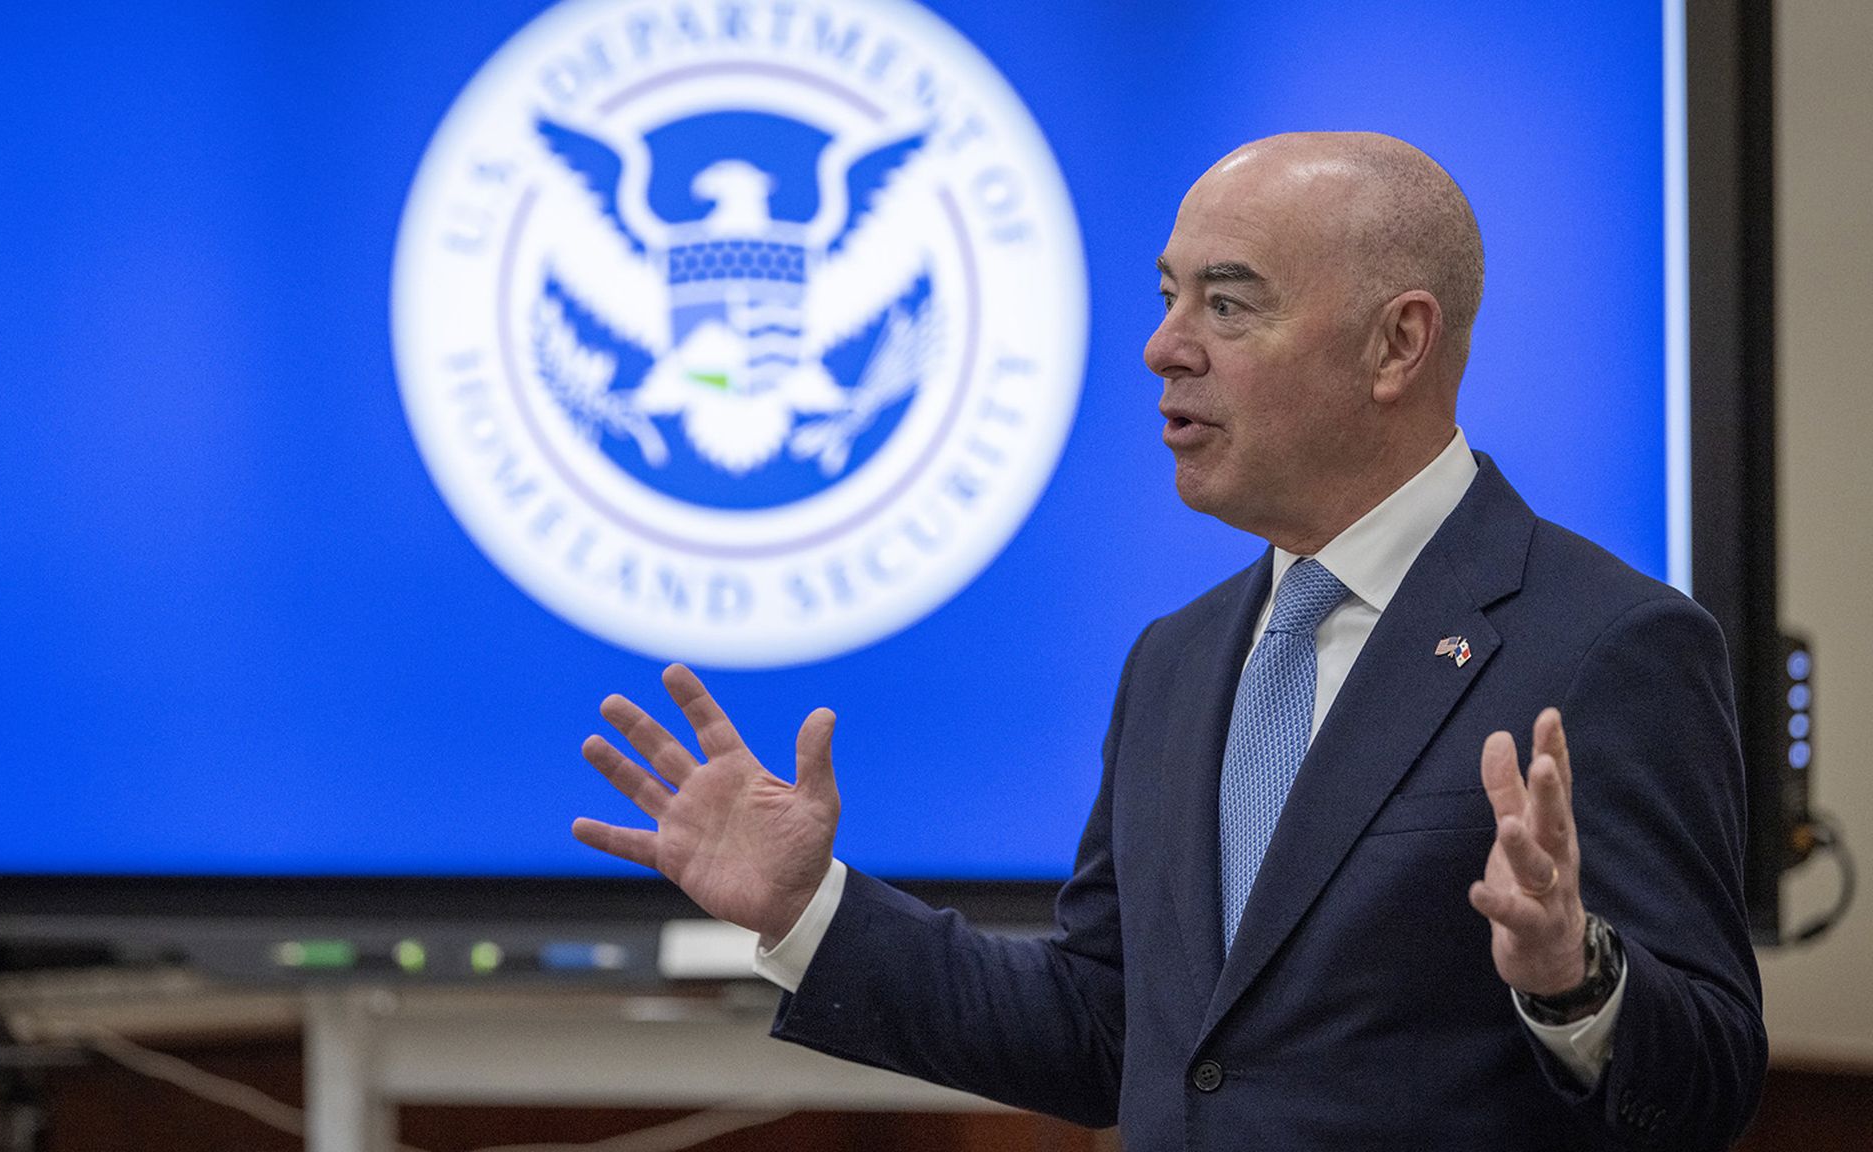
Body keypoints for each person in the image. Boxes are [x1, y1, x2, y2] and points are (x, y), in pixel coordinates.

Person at [570, 132, 1766, 1150]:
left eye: (1229, 303)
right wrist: (808, 907)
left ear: (1397, 344)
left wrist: (1576, 976)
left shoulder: (1609, 646)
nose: (1165, 347)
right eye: (1168, 295)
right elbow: (1111, 1026)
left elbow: (1710, 1078)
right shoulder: (1179, 660)